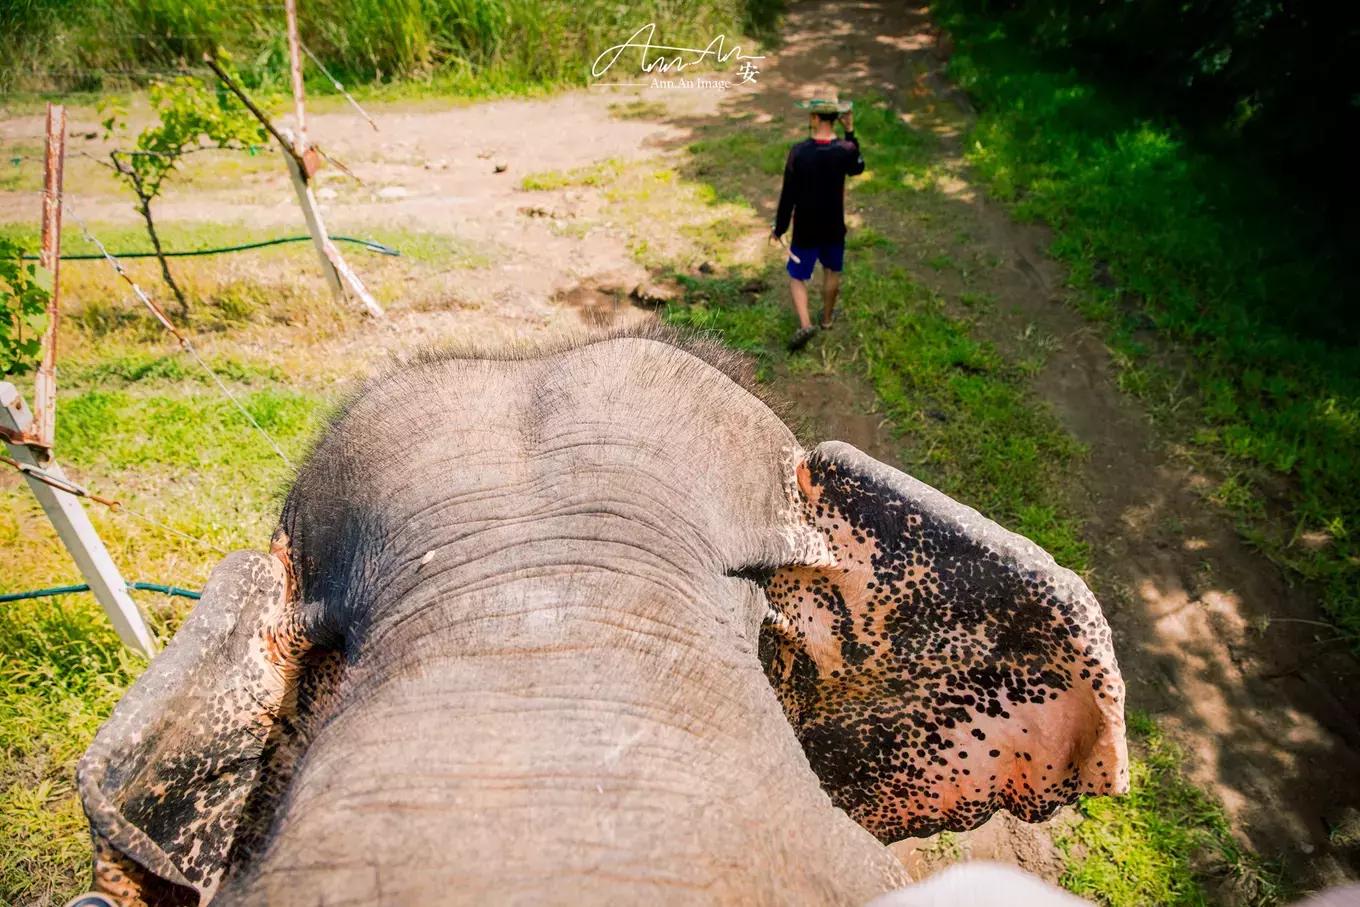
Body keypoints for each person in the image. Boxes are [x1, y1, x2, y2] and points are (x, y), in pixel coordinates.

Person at [770, 100, 865, 351]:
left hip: (806, 228)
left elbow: (788, 193)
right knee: (832, 271)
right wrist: (851, 131)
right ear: (835, 118)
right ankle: (826, 320)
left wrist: (779, 228)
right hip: (834, 225)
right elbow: (858, 167)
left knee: (797, 276)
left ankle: (805, 323)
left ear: (814, 119)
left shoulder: (799, 152)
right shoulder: (845, 150)